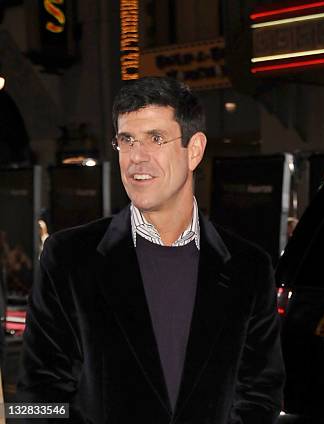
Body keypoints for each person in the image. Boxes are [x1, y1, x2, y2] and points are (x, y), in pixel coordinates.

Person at [18, 77, 284, 423]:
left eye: (155, 139)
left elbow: (261, 393)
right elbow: (34, 401)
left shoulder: (249, 268)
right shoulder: (68, 258)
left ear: (195, 150)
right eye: (126, 141)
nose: (136, 158)